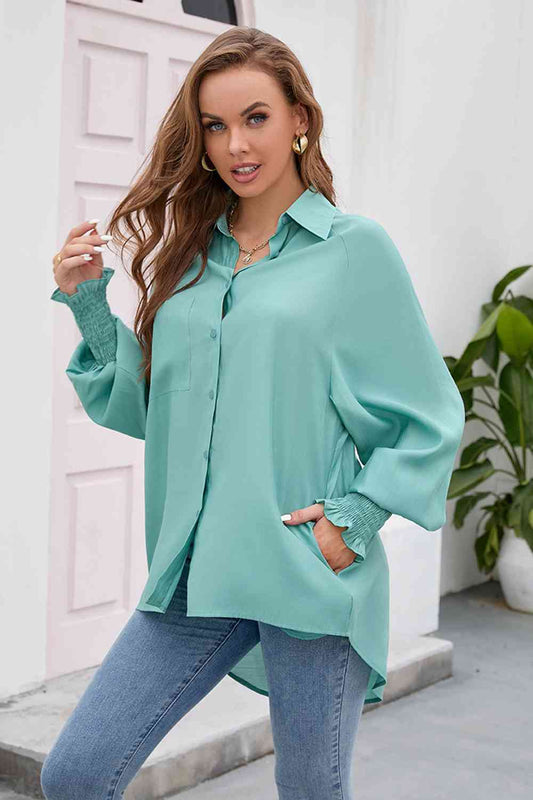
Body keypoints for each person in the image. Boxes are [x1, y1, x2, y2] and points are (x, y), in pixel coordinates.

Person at [41, 26, 465, 800]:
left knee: (309, 792)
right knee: (75, 773)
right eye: (215, 125)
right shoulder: (192, 259)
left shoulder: (353, 250)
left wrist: (354, 519)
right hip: (194, 573)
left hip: (303, 571)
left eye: (256, 118)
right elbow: (159, 412)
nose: (235, 144)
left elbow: (428, 412)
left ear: (299, 119)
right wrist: (90, 305)